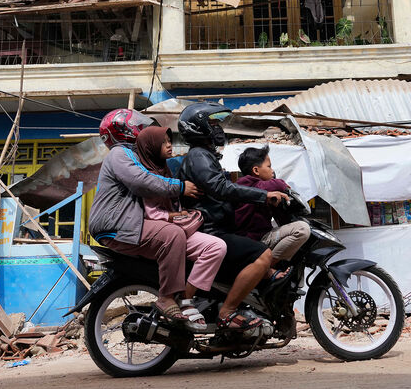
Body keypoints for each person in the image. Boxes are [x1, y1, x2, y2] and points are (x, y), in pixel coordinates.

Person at [177, 102, 291, 332]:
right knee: (262, 254)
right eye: (213, 123)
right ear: (199, 127)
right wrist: (263, 195)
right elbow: (220, 188)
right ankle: (228, 312)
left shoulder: (206, 156)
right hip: (210, 230)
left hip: (218, 228)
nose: (218, 128)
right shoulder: (199, 156)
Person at [87, 109, 203, 329]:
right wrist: (179, 187)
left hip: (124, 222)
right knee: (172, 236)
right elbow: (141, 181)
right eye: (137, 125)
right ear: (126, 130)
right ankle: (167, 298)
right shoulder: (120, 153)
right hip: (116, 223)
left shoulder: (132, 155)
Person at [134, 125, 227, 331]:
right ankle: (176, 300)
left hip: (176, 228)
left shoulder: (165, 168)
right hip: (160, 232)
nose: (169, 146)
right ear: (151, 146)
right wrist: (172, 215)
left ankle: (186, 299)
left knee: (216, 247)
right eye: (164, 142)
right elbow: (148, 212)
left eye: (170, 141)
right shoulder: (144, 175)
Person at [234, 145, 310, 283]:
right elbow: (272, 186)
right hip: (253, 239)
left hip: (260, 237)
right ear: (256, 170)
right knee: (302, 229)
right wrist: (281, 184)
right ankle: (262, 268)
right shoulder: (245, 184)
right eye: (269, 167)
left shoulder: (263, 192)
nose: (272, 171)